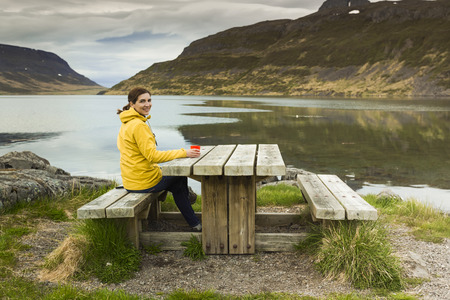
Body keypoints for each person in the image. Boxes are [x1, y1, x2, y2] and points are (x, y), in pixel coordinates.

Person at [117, 87, 202, 231]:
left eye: (149, 100)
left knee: (177, 182)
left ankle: (193, 218)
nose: (147, 104)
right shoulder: (138, 125)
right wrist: (184, 152)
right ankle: (194, 221)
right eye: (142, 101)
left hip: (131, 180)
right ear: (132, 104)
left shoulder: (127, 122)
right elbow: (153, 156)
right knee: (179, 178)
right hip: (142, 182)